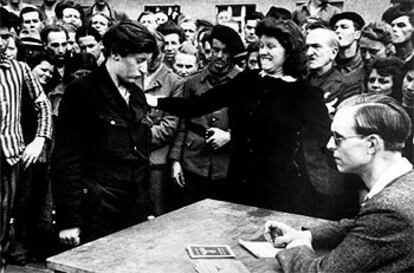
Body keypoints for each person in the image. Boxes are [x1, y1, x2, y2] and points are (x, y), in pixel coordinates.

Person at [147, 18, 331, 216]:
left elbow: (321, 141)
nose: (263, 52)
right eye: (261, 46)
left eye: (271, 46)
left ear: (289, 50)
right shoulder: (248, 80)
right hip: (240, 180)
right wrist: (156, 101)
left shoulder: (306, 94)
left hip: (280, 186)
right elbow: (200, 104)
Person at [264, 93, 414, 273]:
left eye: (338, 137)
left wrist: (298, 245)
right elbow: (361, 224)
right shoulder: (404, 185)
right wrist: (306, 234)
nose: (329, 145)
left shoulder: (390, 210)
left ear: (372, 145)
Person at [51, 20, 157, 247]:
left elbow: (141, 158)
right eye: (139, 61)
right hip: (95, 211)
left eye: (146, 62)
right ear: (116, 54)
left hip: (132, 210)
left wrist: (147, 208)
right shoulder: (81, 92)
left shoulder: (137, 95)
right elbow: (66, 160)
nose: (144, 69)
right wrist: (69, 220)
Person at [167, 24, 243, 209]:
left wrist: (230, 137)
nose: (219, 56)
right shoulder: (193, 81)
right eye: (215, 50)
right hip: (193, 162)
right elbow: (182, 123)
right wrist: (176, 161)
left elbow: (252, 126)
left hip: (226, 165)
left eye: (225, 51)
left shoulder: (244, 82)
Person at [0, 9, 52, 270]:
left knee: (4, 224)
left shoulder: (20, 70)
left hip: (9, 158)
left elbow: (43, 105)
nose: (4, 43)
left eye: (6, 36)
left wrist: (40, 139)